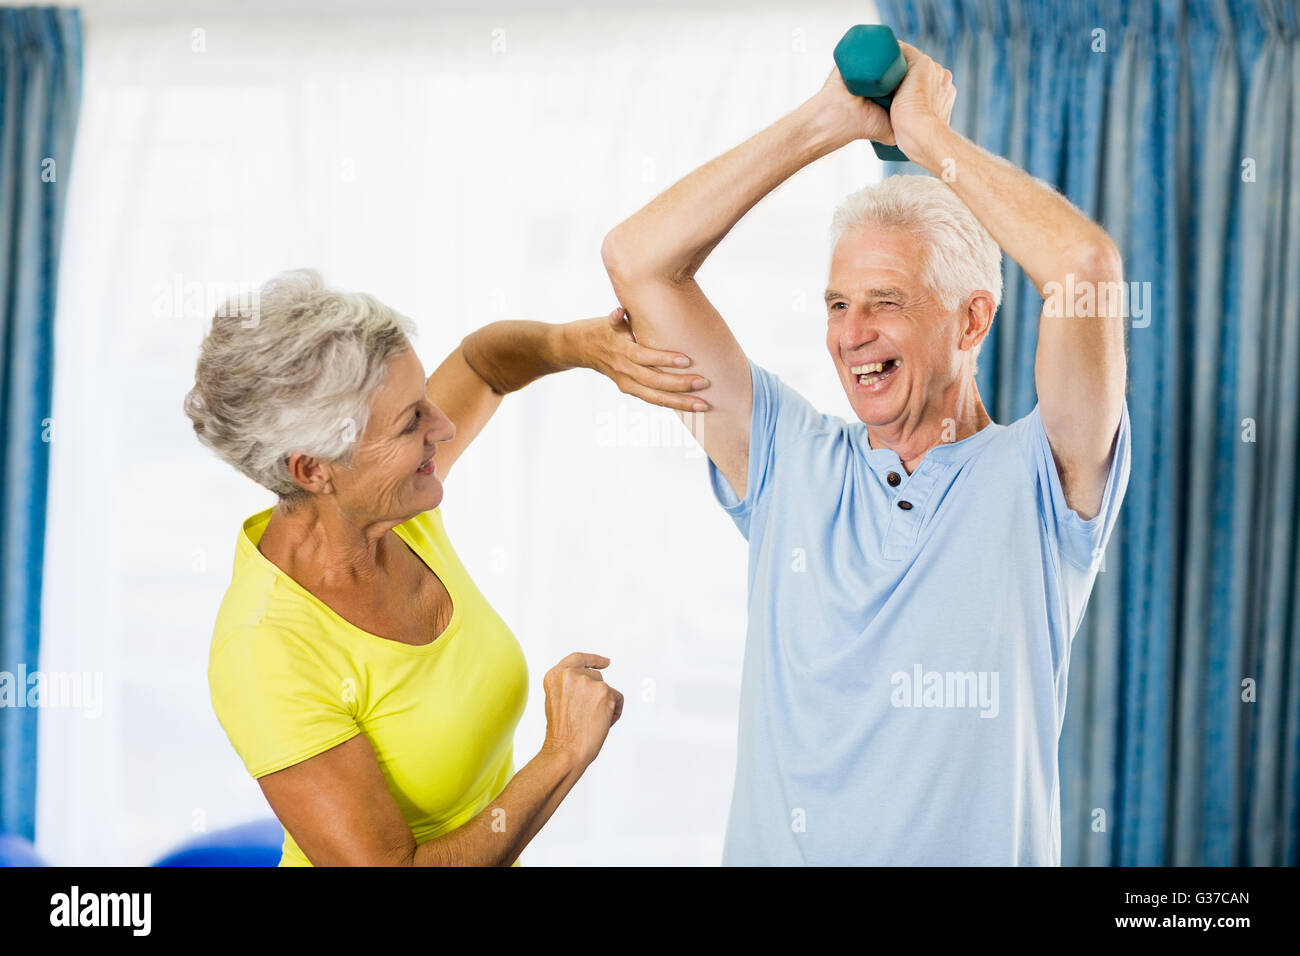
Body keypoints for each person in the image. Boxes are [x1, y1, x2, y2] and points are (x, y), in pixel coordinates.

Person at [600, 41, 1131, 864]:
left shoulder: (1043, 478)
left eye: (885, 302)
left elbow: (1086, 268)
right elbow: (639, 261)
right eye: (838, 303)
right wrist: (827, 122)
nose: (852, 336)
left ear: (971, 321)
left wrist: (929, 141)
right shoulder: (784, 458)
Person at [185, 268, 709, 866]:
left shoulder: (390, 507)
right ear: (313, 470)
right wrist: (561, 755)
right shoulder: (266, 651)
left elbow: (484, 365)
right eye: (411, 421)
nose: (444, 426)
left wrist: (576, 345)